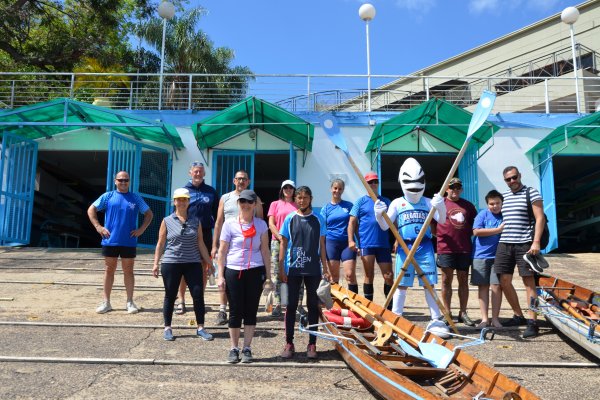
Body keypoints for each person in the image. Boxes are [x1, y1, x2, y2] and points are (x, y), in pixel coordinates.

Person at [374, 158, 447, 321]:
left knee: (429, 285)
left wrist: (441, 206)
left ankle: (436, 318)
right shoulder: (397, 203)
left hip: (425, 247)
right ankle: (396, 317)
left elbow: (442, 220)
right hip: (404, 248)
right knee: (401, 284)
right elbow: (385, 226)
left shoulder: (428, 202)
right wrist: (379, 215)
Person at [217, 189, 273, 363]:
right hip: (233, 270)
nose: (246, 205)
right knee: (235, 311)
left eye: (249, 202)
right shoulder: (229, 224)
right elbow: (222, 251)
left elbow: (265, 251)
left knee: (250, 311)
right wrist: (220, 275)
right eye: (242, 202)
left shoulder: (261, 225)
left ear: (255, 204)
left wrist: (269, 276)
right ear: (238, 204)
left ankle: (247, 348)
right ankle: (233, 348)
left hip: (255, 271)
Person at [152, 188, 214, 341]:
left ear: (188, 202)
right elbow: (160, 244)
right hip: (171, 263)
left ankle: (201, 327)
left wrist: (209, 262)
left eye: (184, 199)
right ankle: (167, 328)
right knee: (170, 295)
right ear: (174, 202)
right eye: (178, 199)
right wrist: (155, 263)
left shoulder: (195, 221)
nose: (181, 202)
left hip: (192, 262)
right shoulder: (166, 220)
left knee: (198, 295)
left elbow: (200, 243)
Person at [87, 171, 153, 314]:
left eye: (126, 180)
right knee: (109, 270)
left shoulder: (135, 198)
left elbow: (149, 214)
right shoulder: (108, 196)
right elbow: (91, 209)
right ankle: (106, 302)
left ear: (129, 181)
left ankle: (130, 302)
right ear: (115, 181)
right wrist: (98, 227)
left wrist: (141, 229)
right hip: (110, 240)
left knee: (128, 271)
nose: (123, 182)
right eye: (121, 180)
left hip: (128, 241)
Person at [494, 166, 546, 338]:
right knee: (504, 280)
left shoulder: (531, 192)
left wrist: (536, 241)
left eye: (514, 177)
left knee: (529, 282)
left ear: (519, 175)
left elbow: (540, 218)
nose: (512, 181)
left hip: (525, 244)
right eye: (508, 179)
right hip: (505, 243)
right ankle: (518, 315)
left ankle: (533, 322)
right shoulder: (504, 197)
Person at [279, 186, 329, 359]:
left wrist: (326, 268)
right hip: (292, 268)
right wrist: (281, 268)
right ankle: (289, 342)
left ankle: (312, 343)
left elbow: (322, 246)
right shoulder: (290, 218)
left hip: (313, 269)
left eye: (305, 197)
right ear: (296, 199)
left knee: (313, 305)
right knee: (291, 305)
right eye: (299, 197)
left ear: (311, 199)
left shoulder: (319, 219)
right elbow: (283, 244)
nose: (302, 200)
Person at [211, 170, 264, 325]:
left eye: (244, 179)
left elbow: (260, 223)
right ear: (234, 181)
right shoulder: (225, 198)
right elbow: (219, 222)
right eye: (239, 179)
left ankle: (241, 311)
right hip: (227, 244)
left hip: (247, 249)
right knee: (223, 277)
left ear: (248, 182)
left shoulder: (255, 198)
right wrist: (214, 245)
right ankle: (222, 309)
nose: (241, 181)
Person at [175, 161, 218, 315]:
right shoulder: (183, 191)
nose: (198, 174)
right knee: (184, 266)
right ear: (190, 173)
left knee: (202, 267)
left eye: (201, 171)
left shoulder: (211, 191)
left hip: (205, 233)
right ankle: (181, 300)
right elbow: (175, 213)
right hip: (186, 232)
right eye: (195, 171)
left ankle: (199, 300)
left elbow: (218, 217)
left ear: (204, 173)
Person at [434, 177, 478, 326]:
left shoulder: (468, 206)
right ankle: (447, 313)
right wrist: (441, 236)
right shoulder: (440, 204)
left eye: (458, 187)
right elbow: (432, 226)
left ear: (462, 189)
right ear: (446, 189)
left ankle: (463, 312)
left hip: (464, 248)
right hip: (446, 248)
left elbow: (475, 226)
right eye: (452, 187)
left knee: (463, 280)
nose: (455, 190)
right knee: (446, 281)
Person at [348, 172, 394, 305]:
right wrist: (351, 240)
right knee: (369, 276)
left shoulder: (386, 201)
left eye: (375, 182)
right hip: (367, 244)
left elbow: (394, 222)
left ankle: (389, 307)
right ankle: (369, 306)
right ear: (365, 184)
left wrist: (397, 239)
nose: (373, 184)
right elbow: (352, 222)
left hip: (383, 244)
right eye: (370, 182)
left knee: (389, 276)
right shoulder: (360, 201)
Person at [472, 190, 505, 329]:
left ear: (502, 203)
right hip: (480, 256)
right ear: (487, 204)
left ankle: (495, 318)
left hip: (498, 256)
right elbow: (476, 231)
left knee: (497, 287)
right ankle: (484, 319)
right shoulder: (483, 214)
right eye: (492, 204)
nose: (495, 206)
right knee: (483, 287)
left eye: (498, 203)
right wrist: (498, 230)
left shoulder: (506, 216)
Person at [267, 180, 298, 317]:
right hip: (277, 242)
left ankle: (295, 303)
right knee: (278, 272)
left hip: (294, 243)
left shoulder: (298, 204)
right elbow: (271, 223)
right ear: (281, 189)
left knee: (295, 272)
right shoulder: (275, 204)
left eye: (291, 187)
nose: (288, 189)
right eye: (285, 187)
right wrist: (280, 237)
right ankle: (279, 303)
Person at [321, 178, 357, 291]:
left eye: (340, 189)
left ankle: (354, 304)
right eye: (335, 188)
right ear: (331, 189)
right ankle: (334, 305)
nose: (337, 191)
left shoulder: (349, 206)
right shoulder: (325, 208)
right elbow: (322, 229)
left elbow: (355, 225)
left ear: (343, 190)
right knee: (334, 277)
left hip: (347, 244)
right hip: (331, 244)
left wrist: (360, 243)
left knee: (350, 275)